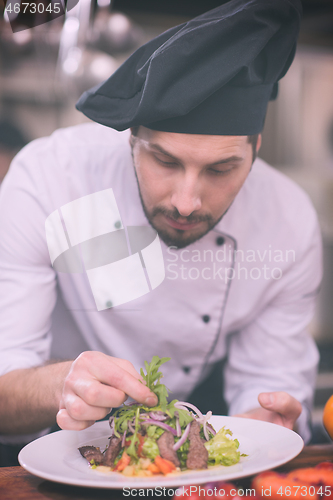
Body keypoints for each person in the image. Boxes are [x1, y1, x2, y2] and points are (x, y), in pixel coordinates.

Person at [0, 0, 322, 463]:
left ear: (256, 147)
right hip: (51, 443)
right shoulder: (48, 179)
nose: (186, 201)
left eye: (221, 168)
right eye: (166, 161)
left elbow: (268, 382)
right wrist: (60, 384)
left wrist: (266, 421)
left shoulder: (287, 218)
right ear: (131, 137)